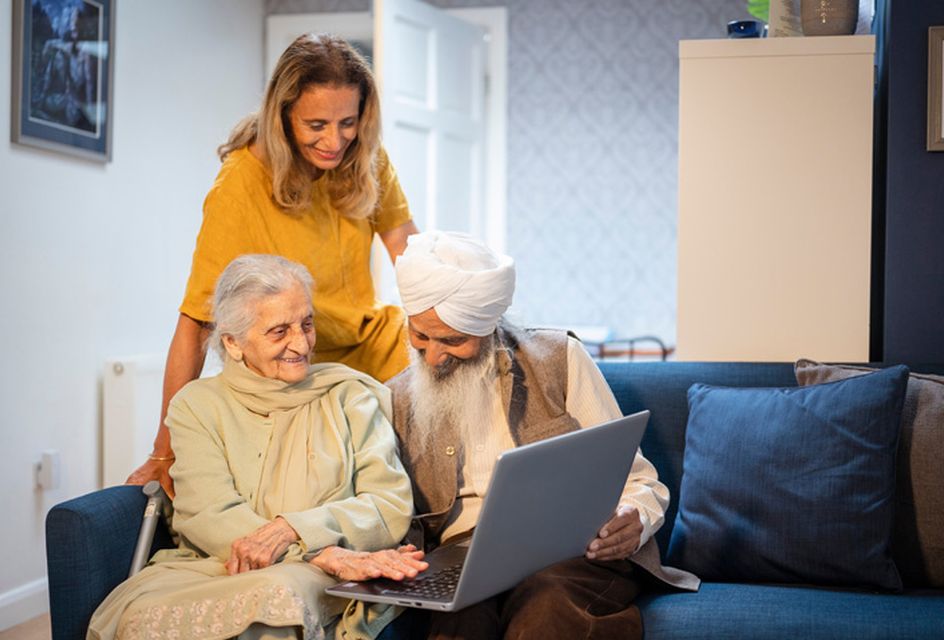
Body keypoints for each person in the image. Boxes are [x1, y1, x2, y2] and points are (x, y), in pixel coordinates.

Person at [127, 33, 419, 497]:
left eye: (348, 122)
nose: (335, 141)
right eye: (316, 124)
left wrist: (441, 322)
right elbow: (198, 322)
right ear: (282, 116)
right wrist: (164, 451)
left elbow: (405, 246)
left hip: (367, 341)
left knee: (477, 364)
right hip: (295, 361)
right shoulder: (239, 185)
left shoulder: (364, 156)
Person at [89, 254, 427, 640]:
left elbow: (388, 504)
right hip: (222, 566)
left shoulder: (349, 395)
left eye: (307, 324)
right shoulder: (195, 406)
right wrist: (320, 552)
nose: (301, 343)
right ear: (233, 343)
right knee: (141, 616)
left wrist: (295, 530)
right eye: (279, 331)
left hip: (326, 575)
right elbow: (209, 514)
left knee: (279, 594)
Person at [387, 231, 699, 639]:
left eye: (453, 340)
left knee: (546, 603)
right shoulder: (396, 397)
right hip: (462, 560)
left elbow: (639, 480)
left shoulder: (559, 359)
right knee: (459, 619)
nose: (433, 356)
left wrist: (635, 518)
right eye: (420, 336)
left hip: (570, 552)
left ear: (488, 326)